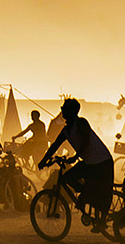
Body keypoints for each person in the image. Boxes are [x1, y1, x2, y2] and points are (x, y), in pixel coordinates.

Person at [39, 98, 115, 229]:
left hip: (101, 161)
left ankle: (99, 216)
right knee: (68, 177)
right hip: (89, 162)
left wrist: (76, 157)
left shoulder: (81, 123)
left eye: (65, 108)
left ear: (73, 111)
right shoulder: (66, 130)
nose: (62, 110)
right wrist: (43, 161)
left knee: (94, 186)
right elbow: (54, 146)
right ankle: (86, 195)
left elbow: (86, 141)